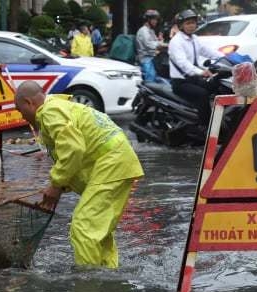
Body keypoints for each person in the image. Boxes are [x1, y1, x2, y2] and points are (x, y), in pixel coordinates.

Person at [14, 81, 144, 268]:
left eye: (20, 111)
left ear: (29, 102)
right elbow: (81, 151)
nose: (22, 117)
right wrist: (63, 184)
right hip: (118, 162)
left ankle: (89, 282)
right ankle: (108, 274)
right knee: (99, 231)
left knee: (84, 227)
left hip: (113, 163)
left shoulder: (49, 112)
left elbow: (73, 149)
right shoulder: (61, 107)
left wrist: (56, 184)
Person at [168, 9, 224, 125]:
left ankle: (221, 119)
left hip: (193, 79)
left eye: (193, 22)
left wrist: (227, 58)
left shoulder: (194, 39)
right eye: (188, 23)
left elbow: (208, 51)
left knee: (217, 85)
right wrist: (201, 72)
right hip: (181, 82)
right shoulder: (176, 42)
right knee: (202, 94)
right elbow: (183, 63)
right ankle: (205, 127)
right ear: (181, 25)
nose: (191, 25)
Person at [135, 9, 168, 84]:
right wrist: (165, 45)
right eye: (154, 19)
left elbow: (156, 42)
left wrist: (161, 41)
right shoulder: (143, 31)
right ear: (148, 20)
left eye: (156, 19)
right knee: (151, 78)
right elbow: (149, 44)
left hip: (152, 57)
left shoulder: (150, 31)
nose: (156, 21)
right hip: (145, 58)